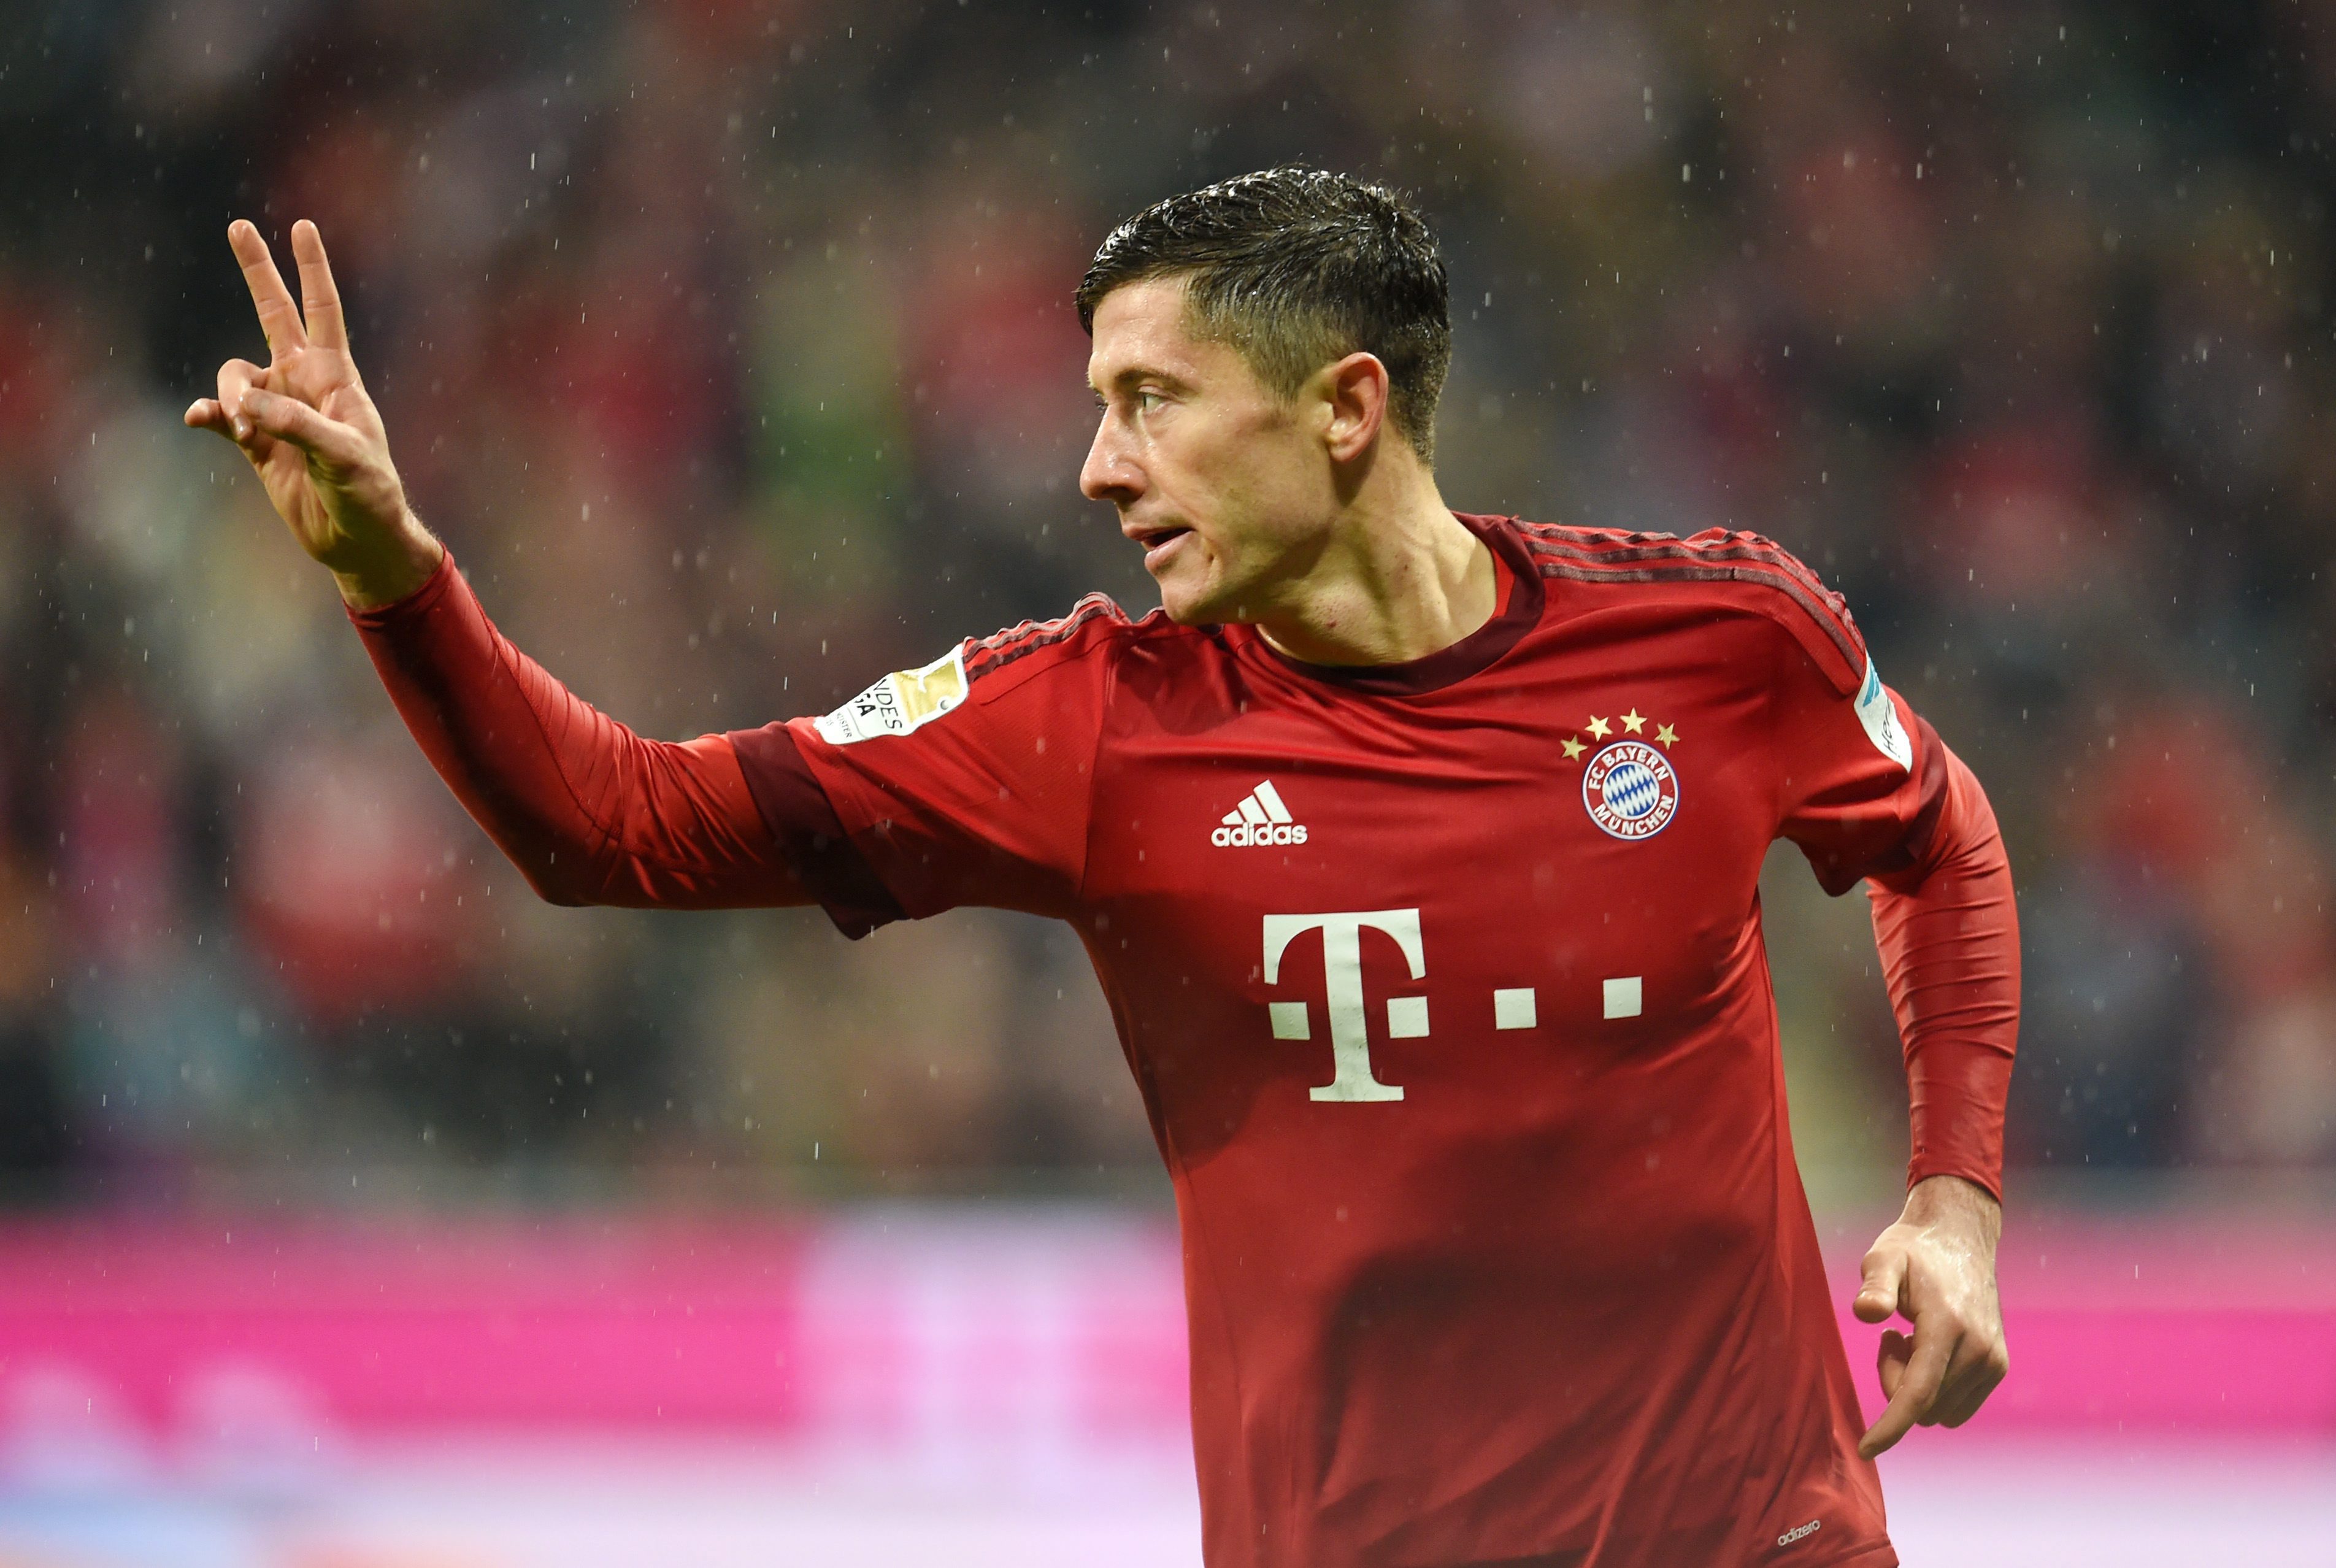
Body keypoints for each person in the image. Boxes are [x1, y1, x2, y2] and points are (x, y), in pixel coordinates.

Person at [189, 168, 2016, 1568]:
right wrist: (390, 571)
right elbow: (612, 829)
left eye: (1150, 398)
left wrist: (1954, 1190)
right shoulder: (1091, 725)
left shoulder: (1718, 638)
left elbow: (1940, 836)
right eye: (1096, 401)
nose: (1094, 464)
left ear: (1345, 406)